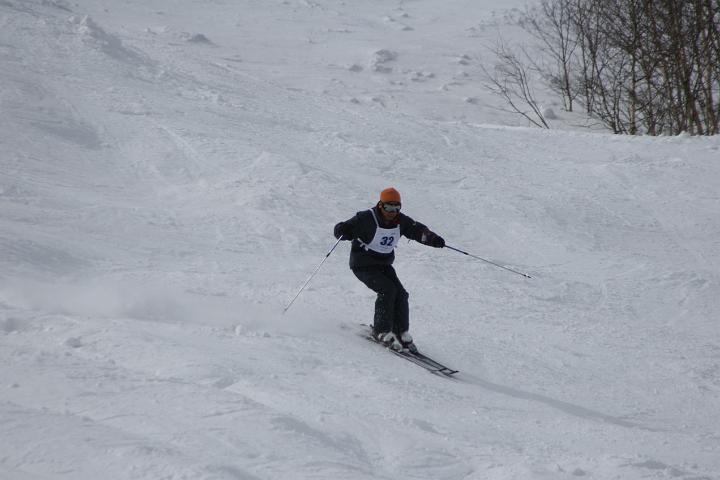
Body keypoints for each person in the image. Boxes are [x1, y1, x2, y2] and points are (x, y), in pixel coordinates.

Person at [334, 187, 445, 352]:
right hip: (363, 265)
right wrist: (343, 230)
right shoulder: (366, 218)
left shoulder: (401, 221)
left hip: (383, 265)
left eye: (396, 208)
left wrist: (432, 239)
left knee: (401, 294)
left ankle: (401, 333)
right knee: (387, 290)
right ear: (380, 205)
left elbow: (417, 230)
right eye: (388, 207)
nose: (392, 212)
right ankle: (382, 331)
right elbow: (343, 229)